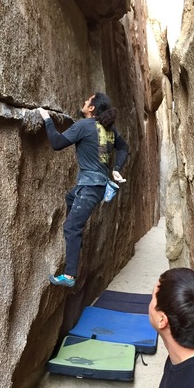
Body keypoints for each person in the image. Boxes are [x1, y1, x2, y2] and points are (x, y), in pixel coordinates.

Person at [38, 93, 128, 288]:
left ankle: (69, 276)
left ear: (92, 108)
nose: (85, 102)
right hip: (93, 186)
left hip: (90, 187)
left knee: (71, 227)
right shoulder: (110, 129)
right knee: (69, 198)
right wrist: (116, 168)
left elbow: (57, 143)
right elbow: (123, 148)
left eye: (87, 100)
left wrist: (47, 119)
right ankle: (76, 243)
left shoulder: (83, 126)